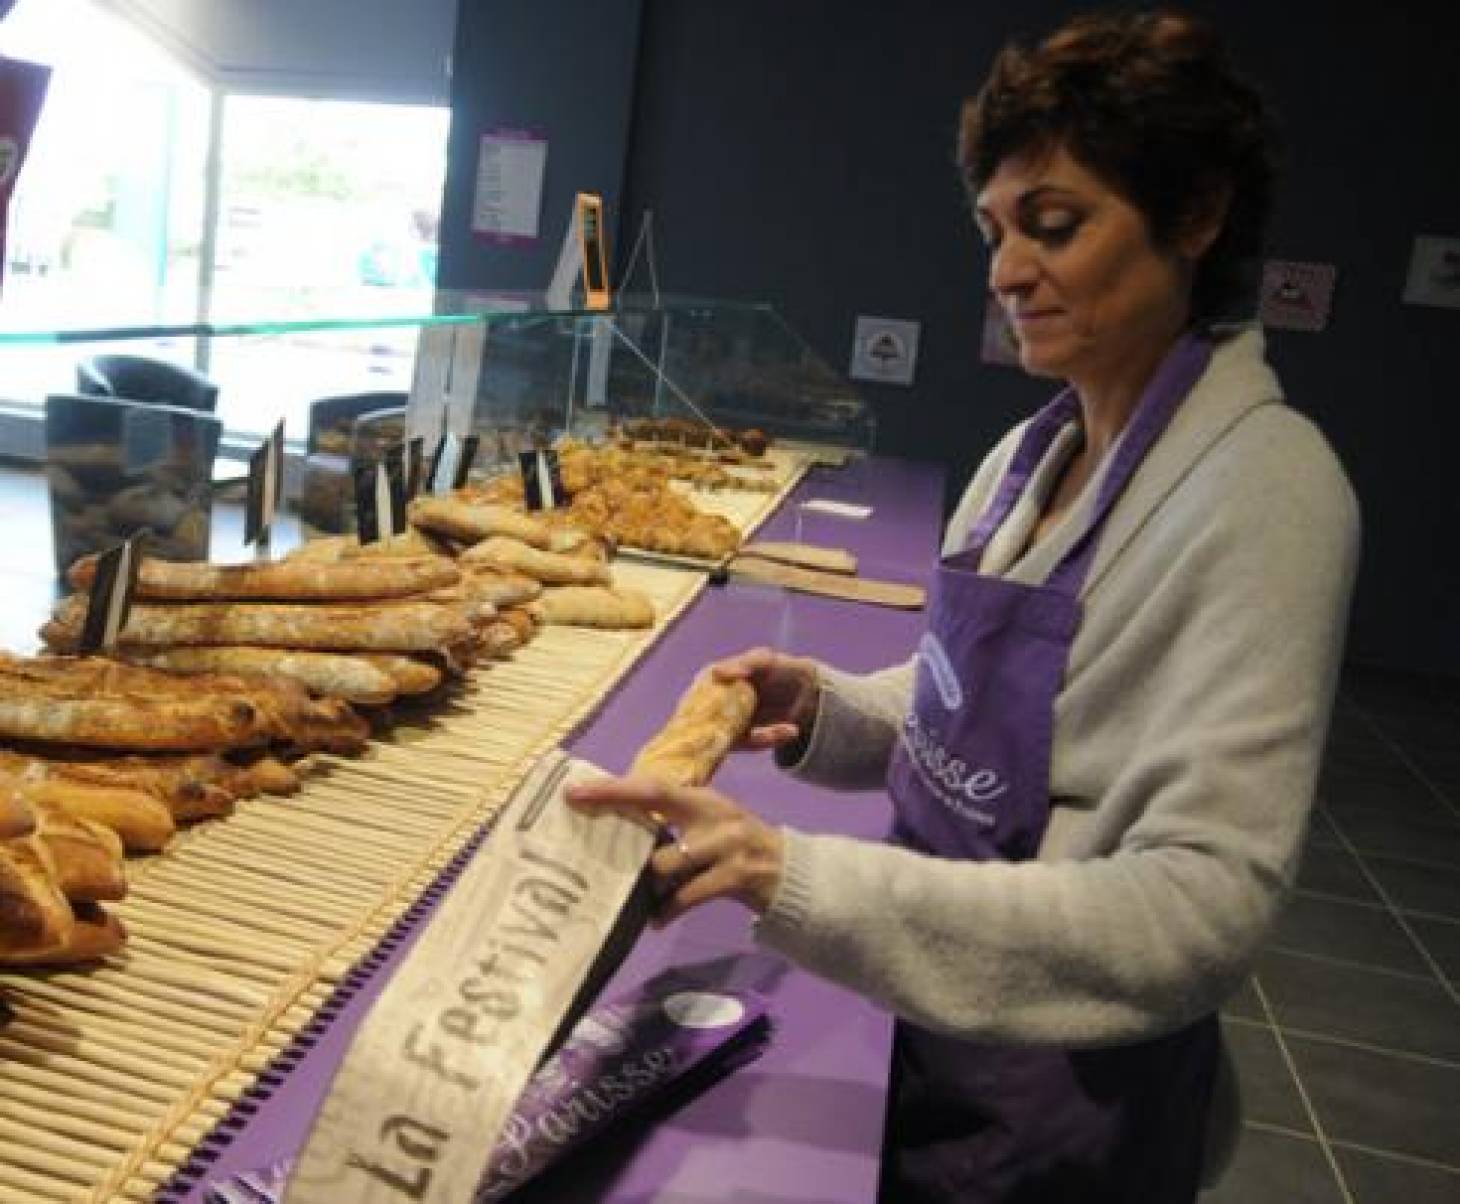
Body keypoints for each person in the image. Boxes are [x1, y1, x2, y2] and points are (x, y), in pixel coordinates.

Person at [568, 10, 1360, 1202]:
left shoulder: (1266, 491)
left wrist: (795, 876)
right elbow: (975, 709)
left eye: (1053, 225)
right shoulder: (1025, 457)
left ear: (1194, 216)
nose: (1001, 270)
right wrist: (825, 708)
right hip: (926, 1020)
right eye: (993, 231)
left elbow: (1200, 906)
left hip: (1053, 1099)